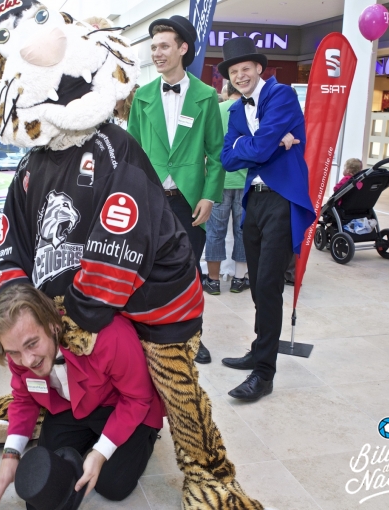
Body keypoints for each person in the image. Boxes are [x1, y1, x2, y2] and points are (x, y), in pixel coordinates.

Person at [0, 4, 262, 508]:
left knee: (174, 385)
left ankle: (209, 475)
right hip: (82, 308)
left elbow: (117, 248)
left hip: (157, 302)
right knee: (50, 358)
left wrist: (72, 320)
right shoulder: (31, 165)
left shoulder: (115, 149)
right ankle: (33, 404)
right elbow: (15, 250)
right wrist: (22, 320)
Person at [0, 284, 162, 510]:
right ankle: (93, 440)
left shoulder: (110, 334)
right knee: (48, 478)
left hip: (123, 405)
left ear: (53, 325)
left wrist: (100, 452)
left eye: (32, 344)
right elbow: (24, 399)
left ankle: (146, 437)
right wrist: (11, 455)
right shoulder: (18, 352)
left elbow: (137, 398)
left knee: (112, 484)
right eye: (14, 352)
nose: (27, 361)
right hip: (71, 406)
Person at [219, 37, 316, 402]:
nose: (240, 76)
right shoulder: (236, 109)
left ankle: (264, 374)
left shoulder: (281, 95)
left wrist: (256, 144)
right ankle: (260, 349)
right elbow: (228, 158)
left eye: (246, 69)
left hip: (281, 198)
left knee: (270, 285)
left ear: (259, 68)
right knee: (258, 284)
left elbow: (255, 149)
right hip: (254, 200)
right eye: (234, 71)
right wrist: (271, 142)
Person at [127, 15, 224, 365]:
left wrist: (208, 196)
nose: (157, 53)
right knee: (148, 269)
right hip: (150, 200)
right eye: (153, 47)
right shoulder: (141, 97)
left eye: (164, 46)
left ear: (183, 49)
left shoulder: (206, 96)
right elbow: (132, 153)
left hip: (189, 200)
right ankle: (151, 333)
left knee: (190, 271)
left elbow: (216, 153)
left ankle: (193, 337)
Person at [204, 81, 249, 295]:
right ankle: (239, 279)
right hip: (246, 180)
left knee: (215, 231)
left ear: (227, 91)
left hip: (218, 180)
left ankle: (213, 280)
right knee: (242, 231)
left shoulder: (217, 109)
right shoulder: (251, 110)